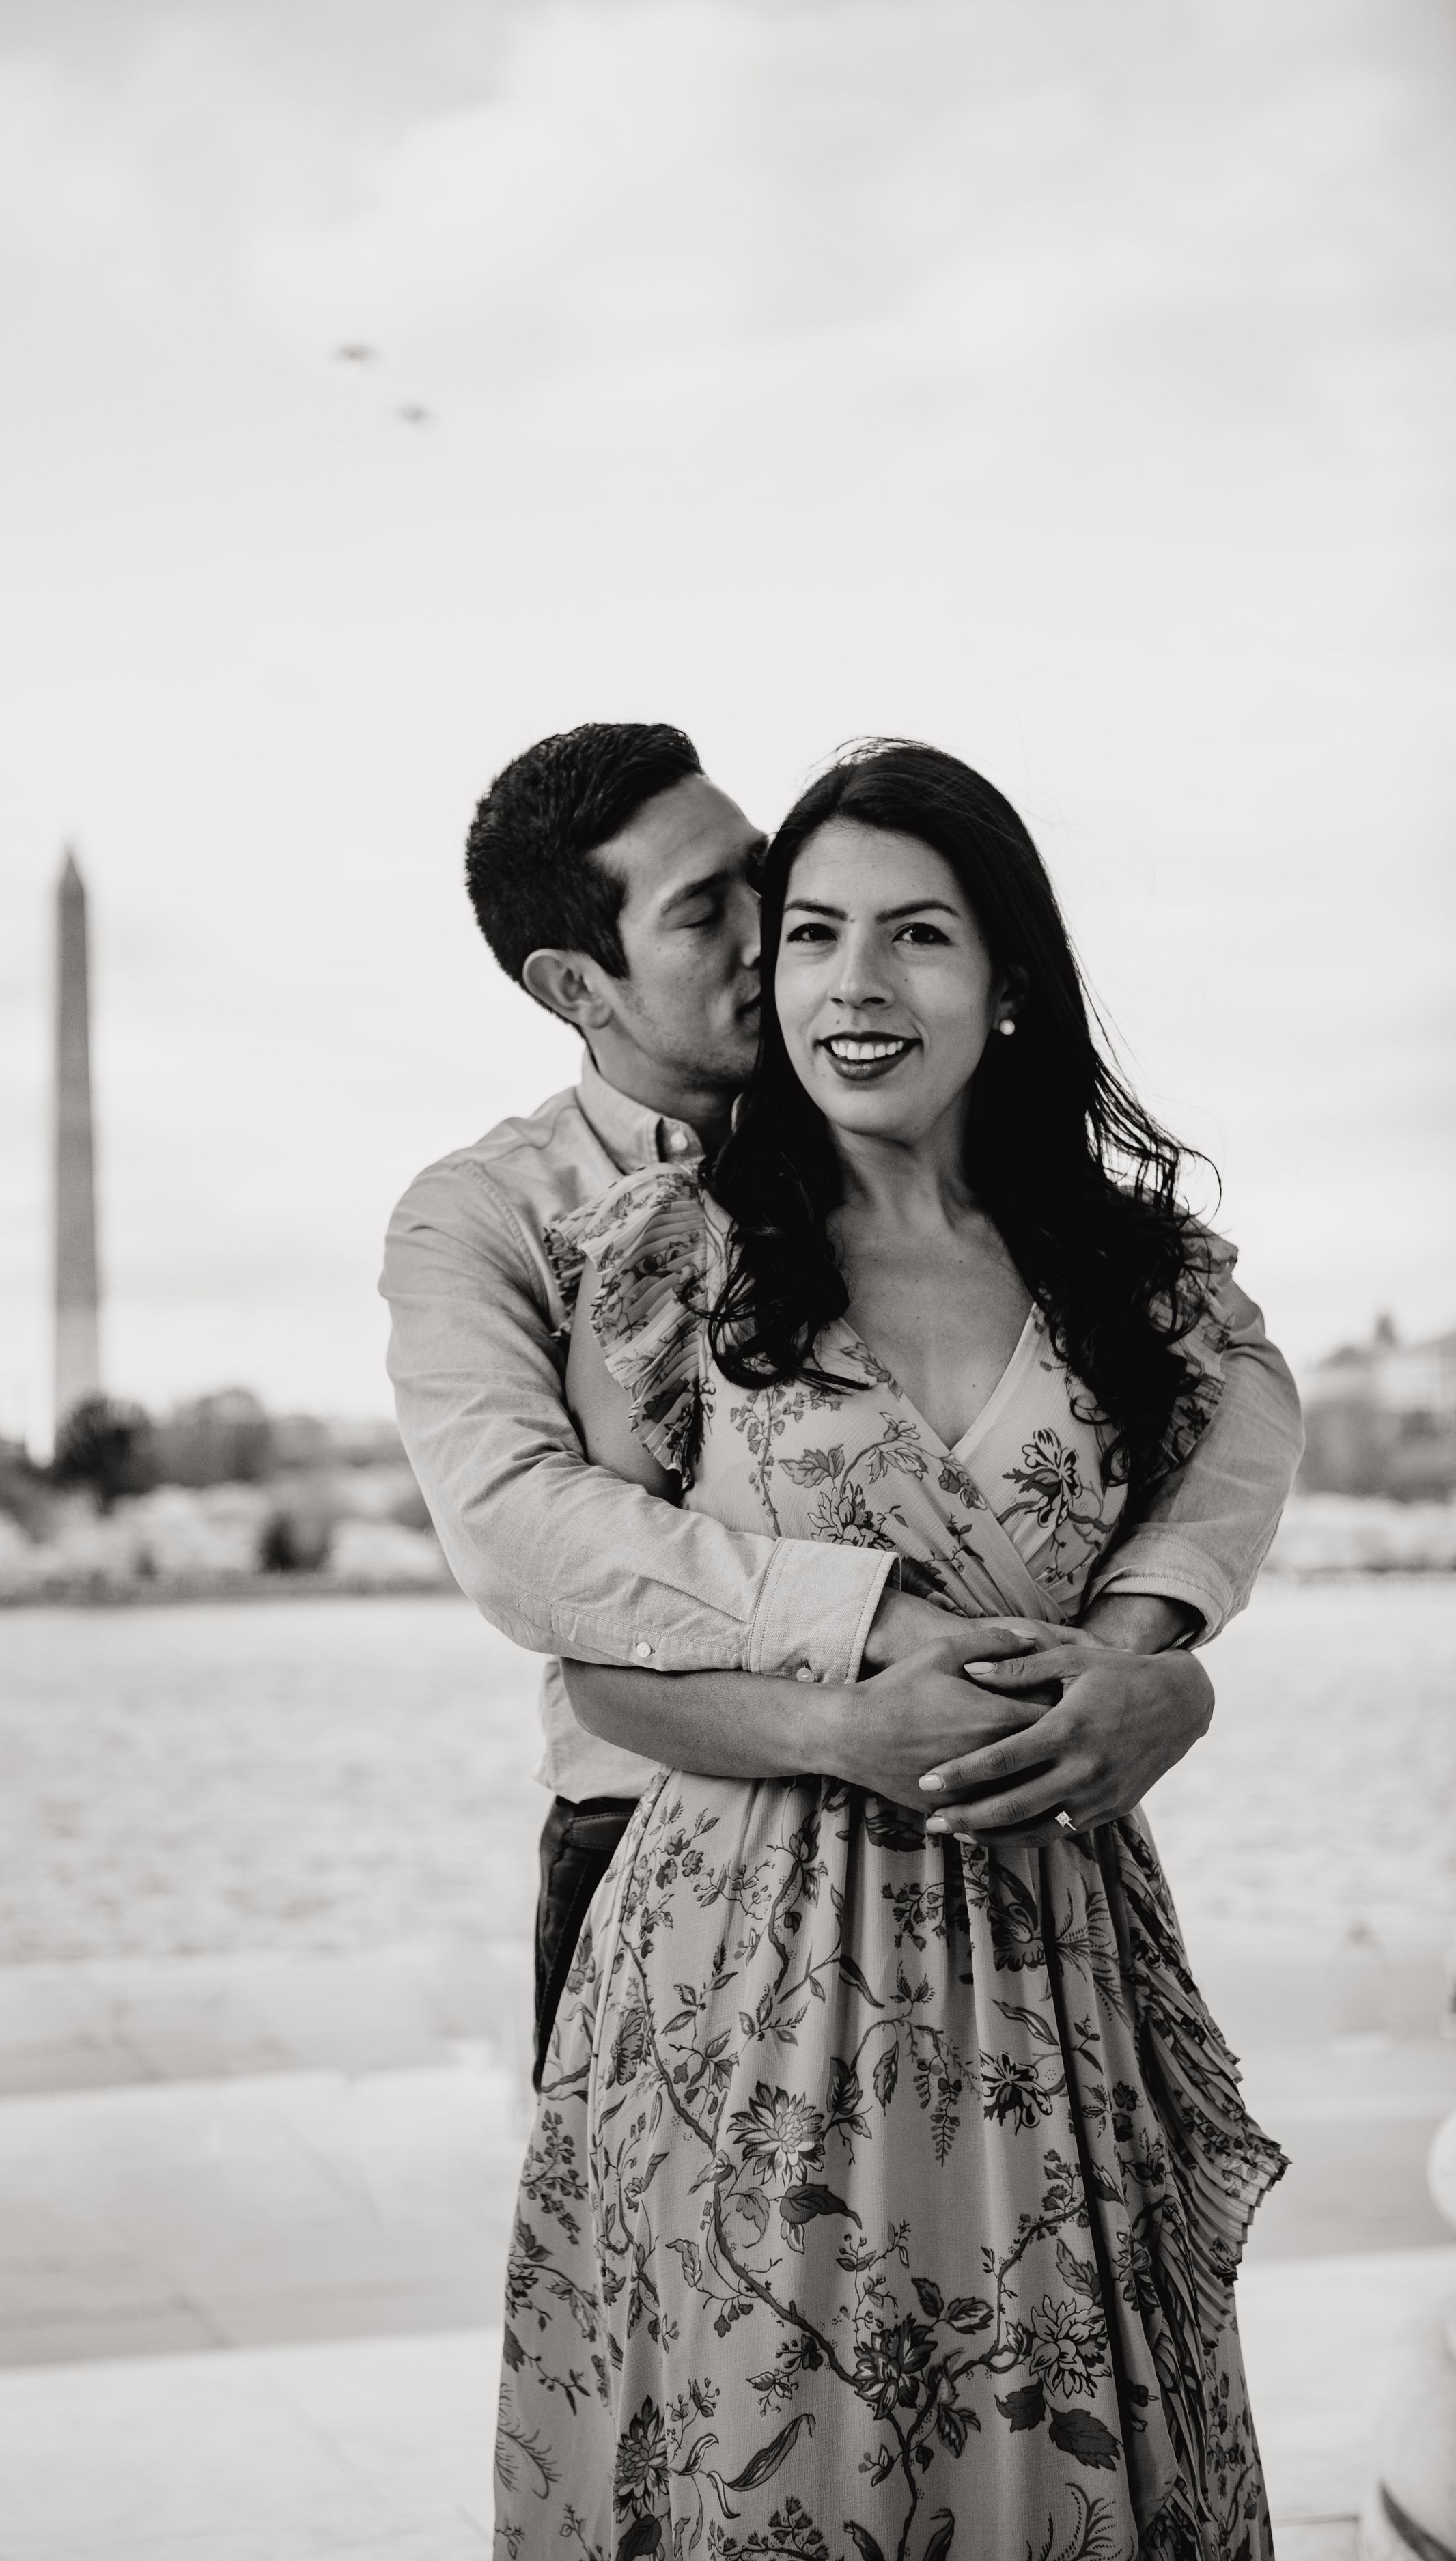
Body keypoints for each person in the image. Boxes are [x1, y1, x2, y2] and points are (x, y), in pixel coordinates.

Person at [494, 740, 1288, 2559]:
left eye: (915, 933)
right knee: (778, 2460)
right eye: (813, 933)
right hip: (741, 1968)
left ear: (1006, 980)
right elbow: (605, 1666)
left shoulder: (1140, 1277)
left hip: (1048, 1949)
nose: (853, 982)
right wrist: (841, 1731)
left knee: (1073, 2449)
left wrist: (1161, 1665)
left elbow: (1226, 1483)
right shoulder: (674, 1257)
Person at [380, 724, 1302, 2089]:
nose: (773, 937)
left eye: (770, 883)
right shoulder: (502, 1219)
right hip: (671, 1837)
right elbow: (529, 1538)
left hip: (1023, 1854)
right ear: (577, 984)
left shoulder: (925, 1125)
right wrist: (867, 1656)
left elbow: (1234, 1376)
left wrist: (1147, 1646)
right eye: (707, 911)